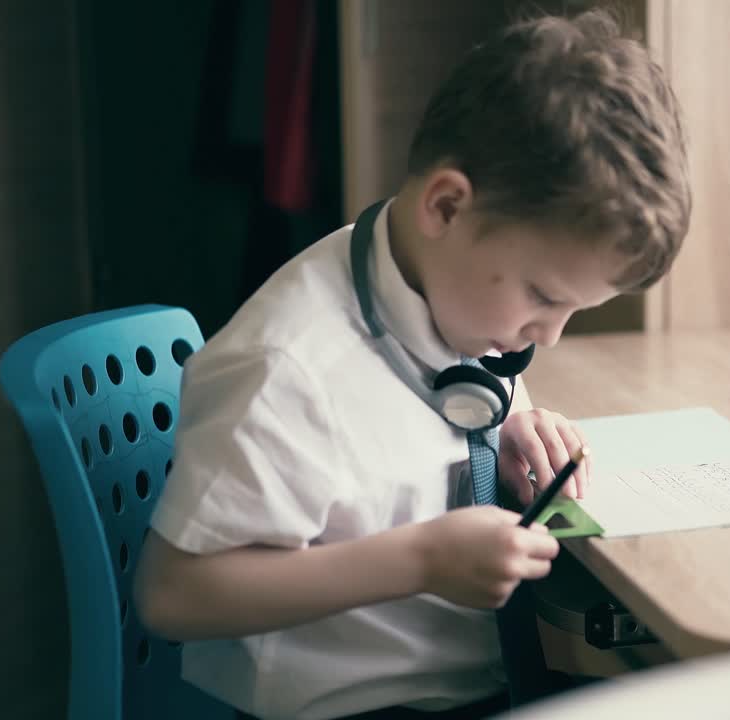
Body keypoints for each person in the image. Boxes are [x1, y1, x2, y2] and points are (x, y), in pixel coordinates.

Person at [134, 8, 690, 720]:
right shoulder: (290, 369)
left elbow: (443, 412)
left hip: (479, 677)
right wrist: (421, 560)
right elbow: (172, 595)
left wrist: (513, 427)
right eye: (544, 296)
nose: (549, 336)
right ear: (447, 207)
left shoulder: (447, 289)